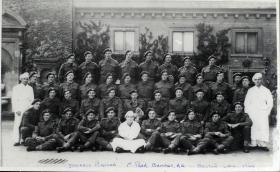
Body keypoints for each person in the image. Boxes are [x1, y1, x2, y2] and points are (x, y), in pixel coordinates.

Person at [244, 73, 273, 151]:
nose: (257, 81)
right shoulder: (250, 90)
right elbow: (246, 102)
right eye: (256, 80)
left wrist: (267, 112)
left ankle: (263, 144)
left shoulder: (266, 90)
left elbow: (270, 102)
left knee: (263, 127)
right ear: (254, 81)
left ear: (261, 80)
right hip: (252, 112)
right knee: (254, 127)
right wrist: (247, 112)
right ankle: (253, 143)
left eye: (259, 79)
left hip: (262, 112)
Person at [12, 72, 34, 146]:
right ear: (21, 79)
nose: (25, 80)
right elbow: (14, 100)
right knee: (17, 124)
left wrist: (29, 109)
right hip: (19, 108)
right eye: (24, 79)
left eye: (27, 79)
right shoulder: (16, 88)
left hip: (27, 108)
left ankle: (24, 139)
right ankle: (16, 140)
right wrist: (16, 109)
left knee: (25, 124)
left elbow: (32, 99)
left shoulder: (30, 88)